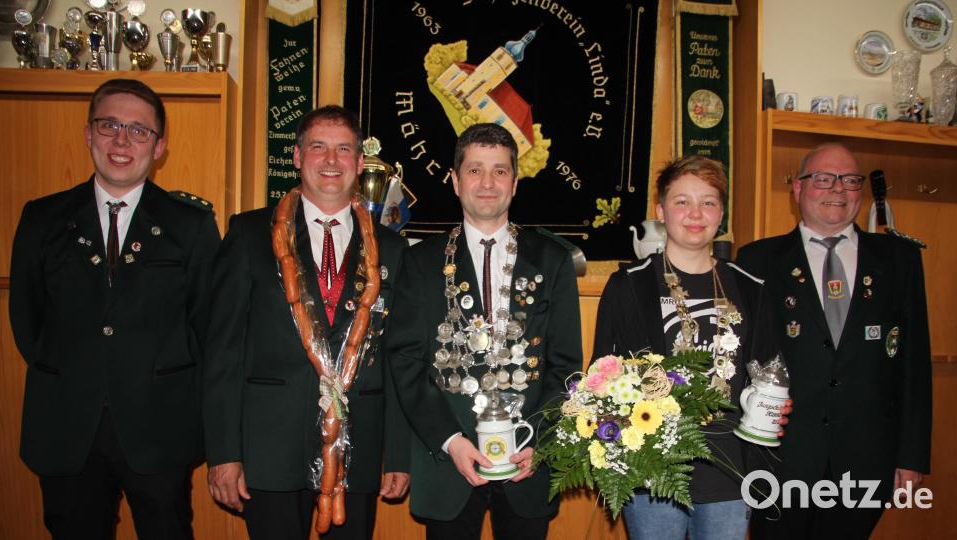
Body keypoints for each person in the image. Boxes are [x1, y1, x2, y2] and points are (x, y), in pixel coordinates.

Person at [8, 79, 220, 539]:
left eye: (139, 131)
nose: (122, 141)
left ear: (159, 147)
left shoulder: (191, 226)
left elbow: (206, 328)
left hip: (159, 428)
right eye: (109, 125)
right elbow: (28, 322)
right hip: (66, 427)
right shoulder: (42, 219)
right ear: (88, 134)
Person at [202, 105, 410, 540]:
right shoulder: (247, 235)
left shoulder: (393, 249)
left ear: (358, 162)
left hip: (360, 449)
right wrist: (223, 452)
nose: (331, 161)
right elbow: (221, 352)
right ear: (297, 157)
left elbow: (399, 359)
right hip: (268, 449)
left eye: (343, 149)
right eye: (318, 147)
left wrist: (399, 456)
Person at [385, 123, 582, 539]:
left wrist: (540, 441)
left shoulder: (552, 260)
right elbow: (404, 361)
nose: (487, 183)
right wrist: (450, 440)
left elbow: (566, 365)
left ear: (515, 181)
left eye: (499, 171)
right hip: (447, 459)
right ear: (455, 181)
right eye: (475, 170)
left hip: (528, 460)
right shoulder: (419, 263)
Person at [737, 143, 932, 539]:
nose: (837, 190)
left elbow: (914, 364)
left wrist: (911, 456)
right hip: (780, 457)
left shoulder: (899, 260)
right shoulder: (757, 260)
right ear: (798, 190)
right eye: (823, 179)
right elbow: (742, 359)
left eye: (850, 180)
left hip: (866, 457)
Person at [593, 155, 782, 540]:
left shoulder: (750, 287)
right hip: (652, 472)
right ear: (661, 211)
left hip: (730, 471)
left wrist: (777, 401)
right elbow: (600, 376)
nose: (696, 213)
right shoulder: (627, 285)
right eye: (682, 201)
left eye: (708, 201)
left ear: (722, 212)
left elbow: (771, 370)